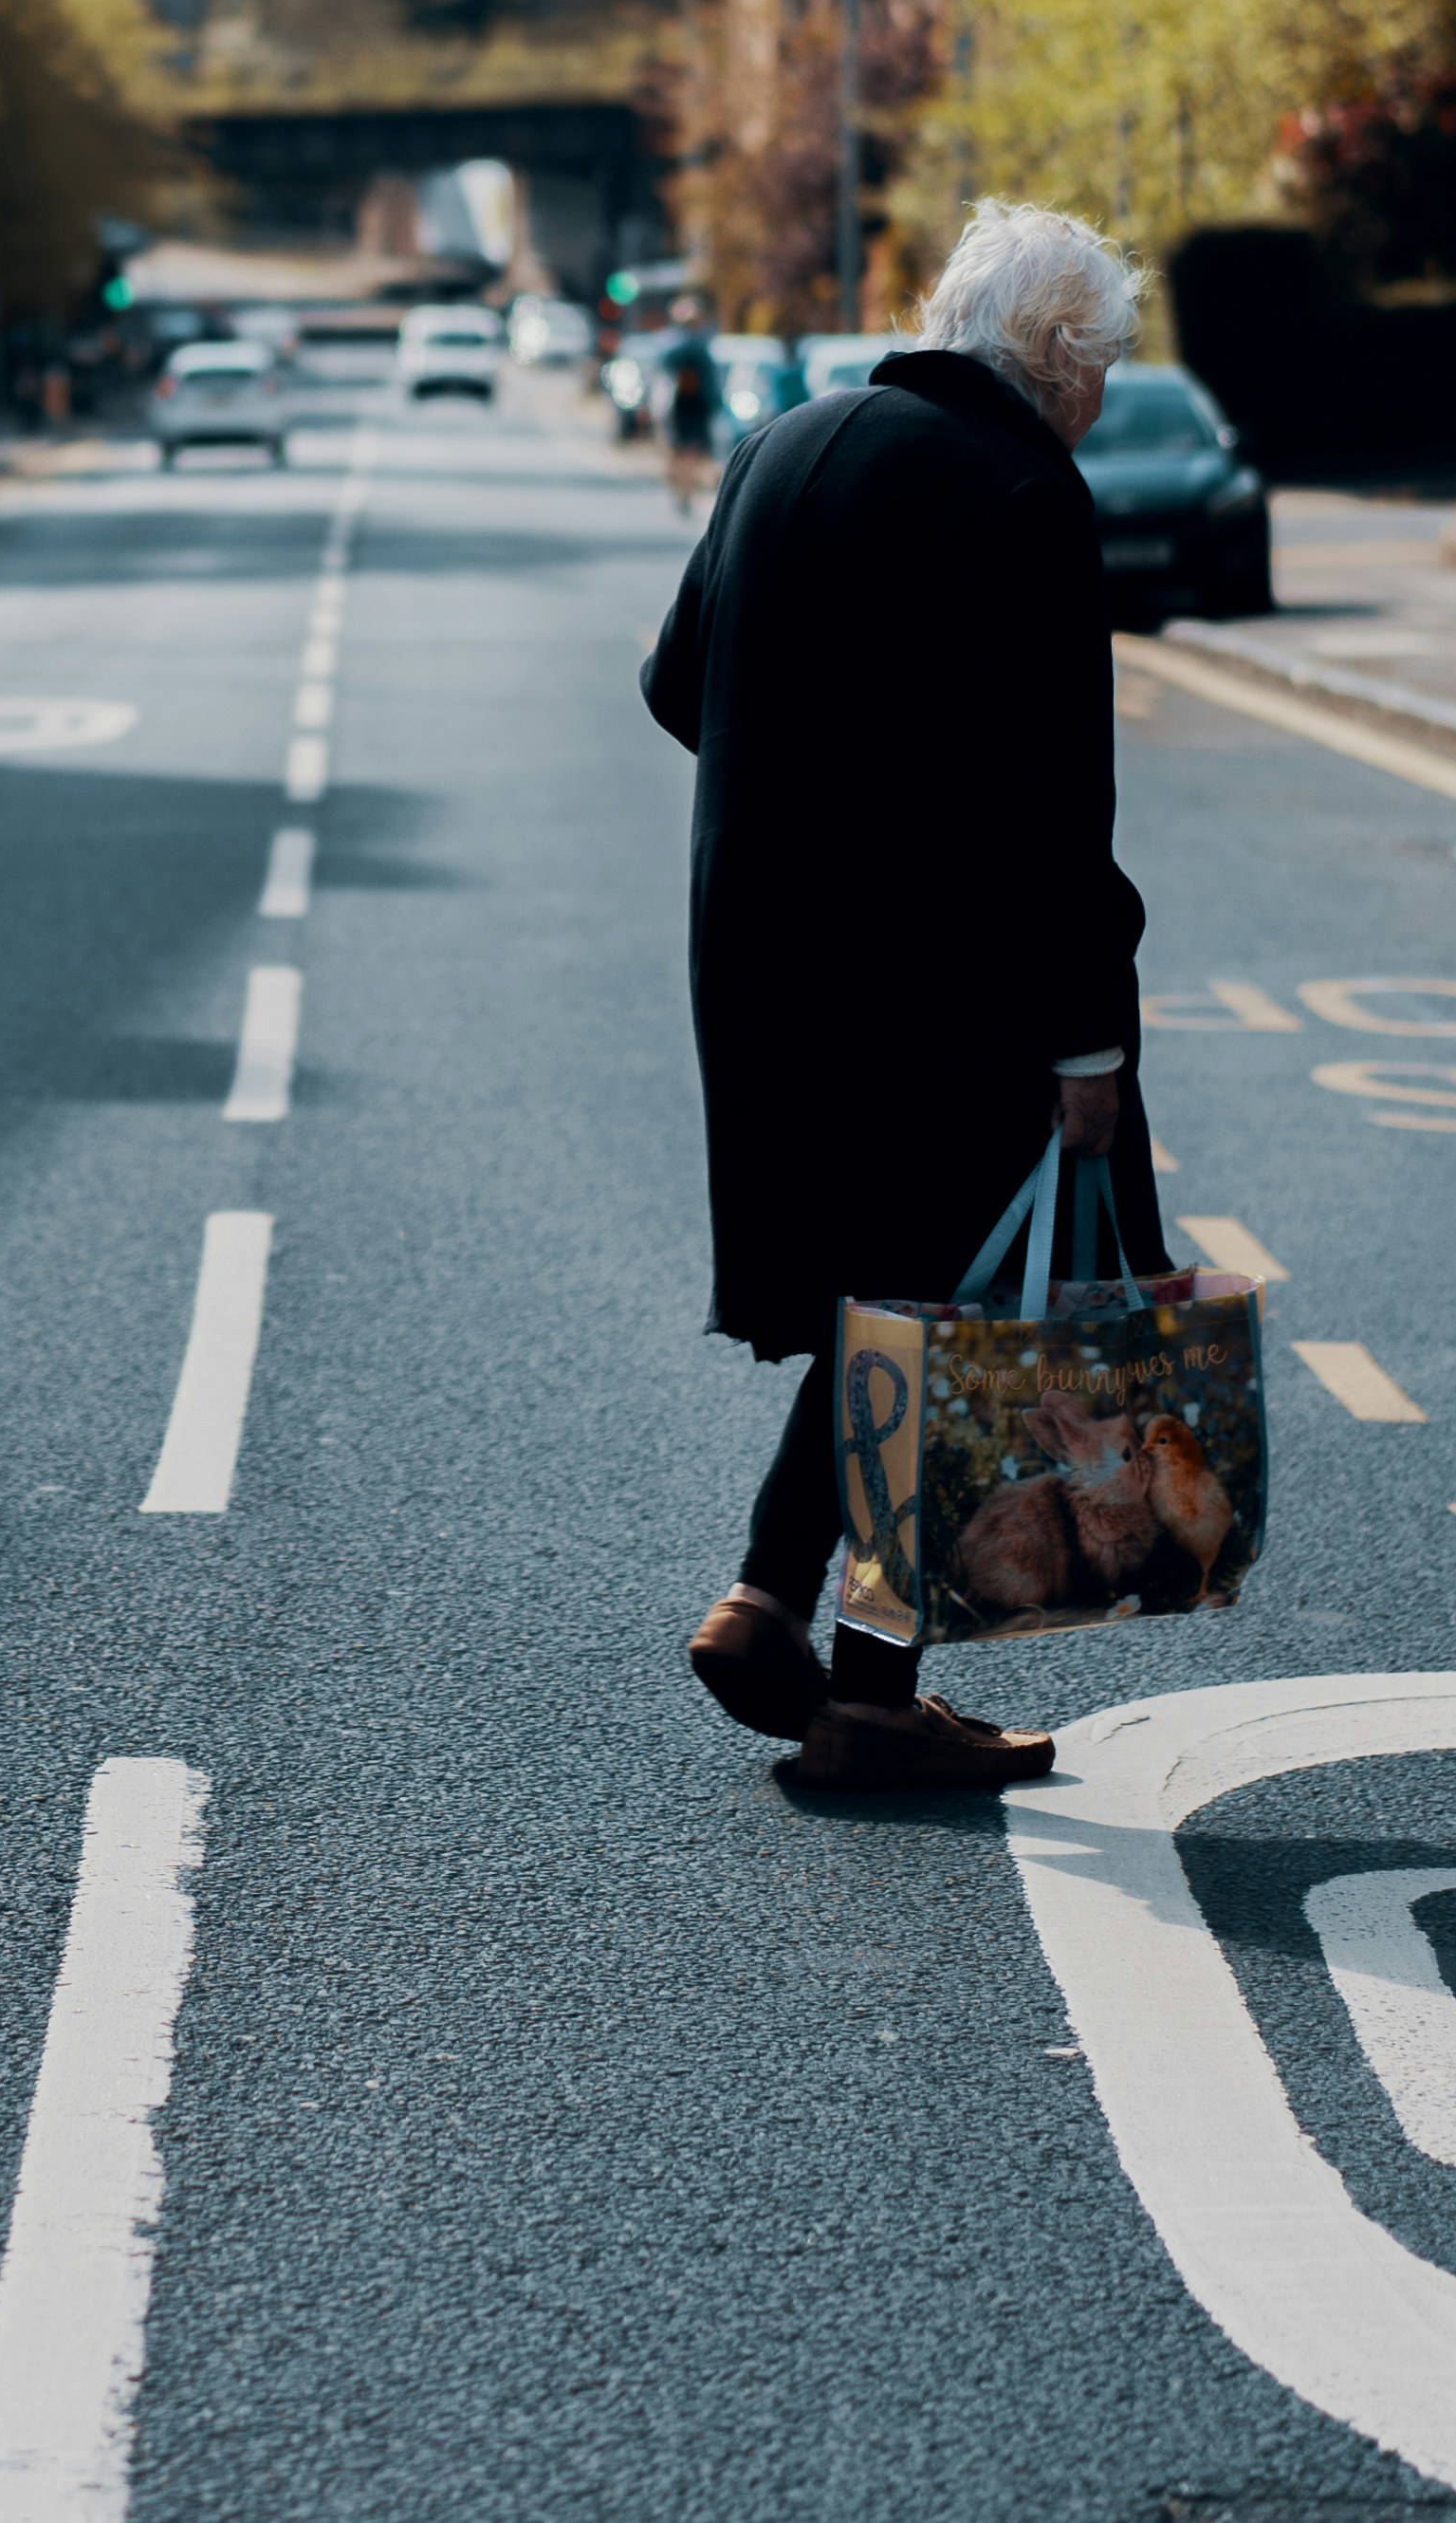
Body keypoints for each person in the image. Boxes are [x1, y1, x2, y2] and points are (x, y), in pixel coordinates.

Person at [636, 201, 1164, 1795]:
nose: (1101, 400)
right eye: (1105, 368)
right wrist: (1087, 1038)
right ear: (1057, 357)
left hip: (760, 955)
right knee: (938, 1311)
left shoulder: (780, 443)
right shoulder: (1020, 487)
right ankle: (801, 1628)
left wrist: (802, 775)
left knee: (894, 1301)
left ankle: (830, 1654)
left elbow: (677, 686)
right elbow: (1057, 804)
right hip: (949, 979)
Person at [655, 320, 728, 512]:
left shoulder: (678, 348)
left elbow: (665, 367)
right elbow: (712, 385)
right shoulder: (703, 350)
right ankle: (686, 492)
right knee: (692, 453)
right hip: (697, 408)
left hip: (681, 406)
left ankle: (682, 491)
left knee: (681, 451)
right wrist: (715, 406)